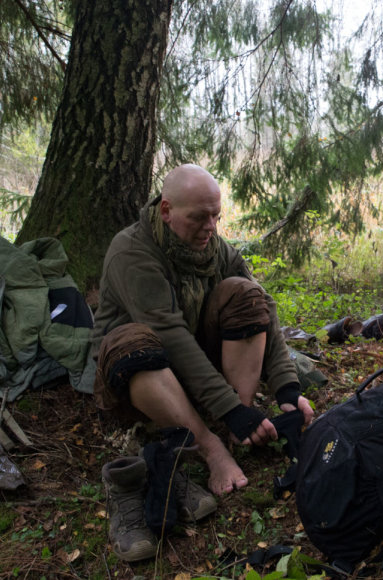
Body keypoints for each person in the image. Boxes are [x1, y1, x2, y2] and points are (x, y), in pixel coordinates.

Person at [92, 163, 314, 561]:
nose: (210, 226)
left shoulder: (214, 247)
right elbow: (170, 337)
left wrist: (286, 388)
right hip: (140, 374)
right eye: (199, 217)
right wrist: (226, 410)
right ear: (166, 211)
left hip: (190, 369)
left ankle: (240, 422)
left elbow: (265, 306)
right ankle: (210, 446)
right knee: (135, 344)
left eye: (215, 216)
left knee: (245, 294)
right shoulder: (132, 251)